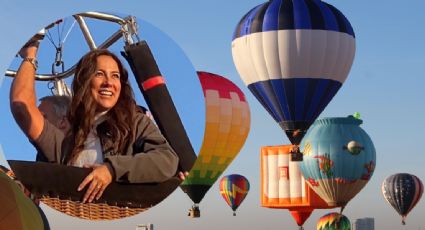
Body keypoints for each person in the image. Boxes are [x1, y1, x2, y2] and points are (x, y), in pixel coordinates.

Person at [10, 38, 179, 203]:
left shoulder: (135, 123)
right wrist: (30, 55)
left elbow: (166, 159)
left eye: (115, 76)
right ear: (84, 81)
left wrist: (112, 169)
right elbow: (21, 107)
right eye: (99, 74)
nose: (109, 83)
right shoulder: (66, 141)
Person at [36, 95, 71, 162]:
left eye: (43, 118)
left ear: (62, 122)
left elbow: (21, 110)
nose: (36, 121)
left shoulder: (65, 147)